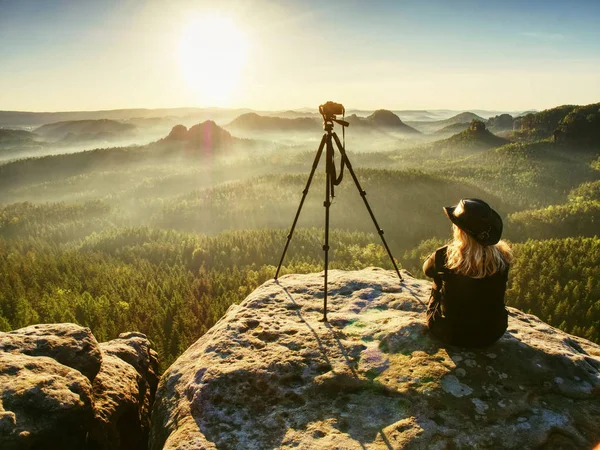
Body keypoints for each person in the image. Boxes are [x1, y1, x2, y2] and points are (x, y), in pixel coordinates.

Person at [424, 198, 513, 348]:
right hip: (491, 333)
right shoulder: (502, 258)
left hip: (448, 332)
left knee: (438, 278)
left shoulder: (445, 256)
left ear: (460, 231)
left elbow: (427, 270)